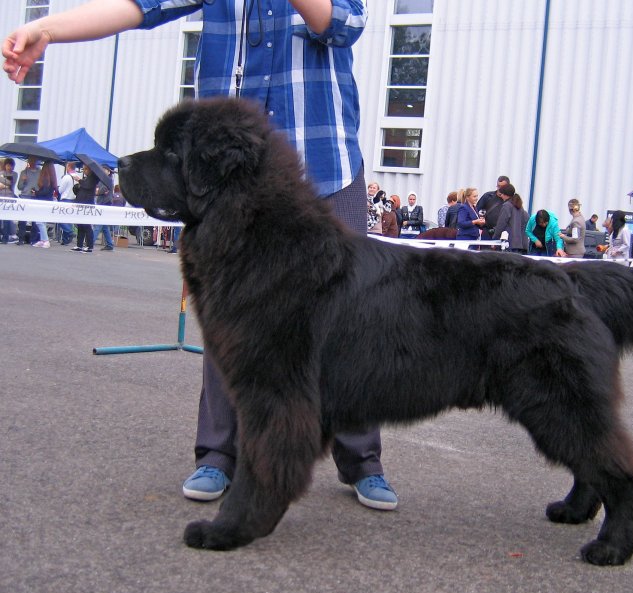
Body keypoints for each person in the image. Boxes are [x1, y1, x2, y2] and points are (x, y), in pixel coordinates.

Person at [3, 0, 397, 508]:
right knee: (228, 315)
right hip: (228, 179)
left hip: (325, 164)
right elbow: (138, 5)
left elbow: (344, 24)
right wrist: (47, 28)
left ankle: (362, 459)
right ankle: (218, 454)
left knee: (347, 319)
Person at [71, 164, 99, 253]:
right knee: (80, 225)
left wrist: (79, 180)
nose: (84, 171)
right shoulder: (87, 178)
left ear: (89, 170)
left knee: (87, 225)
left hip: (87, 204)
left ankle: (89, 246)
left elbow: (87, 186)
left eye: (85, 169)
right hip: (81, 202)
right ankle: (79, 245)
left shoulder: (93, 178)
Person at [15, 156, 39, 245]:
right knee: (22, 219)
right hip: (25, 196)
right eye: (30, 160)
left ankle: (33, 239)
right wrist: (23, 180)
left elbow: (41, 185)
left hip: (35, 197)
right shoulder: (23, 172)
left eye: (34, 160)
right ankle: (21, 239)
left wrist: (37, 191)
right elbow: (19, 187)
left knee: (35, 219)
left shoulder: (40, 172)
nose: (32, 162)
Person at [57, 161, 80, 244]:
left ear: (69, 167)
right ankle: (65, 240)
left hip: (65, 199)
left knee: (59, 218)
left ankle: (69, 232)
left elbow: (60, 190)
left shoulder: (66, 177)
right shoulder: (78, 178)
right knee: (68, 219)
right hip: (73, 199)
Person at [96, 166, 115, 251]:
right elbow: (98, 189)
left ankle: (90, 242)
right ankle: (110, 244)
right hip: (101, 202)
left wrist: (98, 192)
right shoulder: (101, 179)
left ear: (109, 171)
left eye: (105, 170)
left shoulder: (109, 180)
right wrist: (98, 191)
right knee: (104, 226)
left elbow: (102, 190)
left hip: (105, 203)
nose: (103, 171)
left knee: (98, 224)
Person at [0, 157, 18, 244]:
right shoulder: (1, 173)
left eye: (11, 166)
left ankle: (6, 238)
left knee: (7, 218)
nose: (9, 167)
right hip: (1, 197)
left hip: (10, 197)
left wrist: (3, 183)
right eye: (7, 165)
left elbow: (11, 183)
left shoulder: (15, 174)